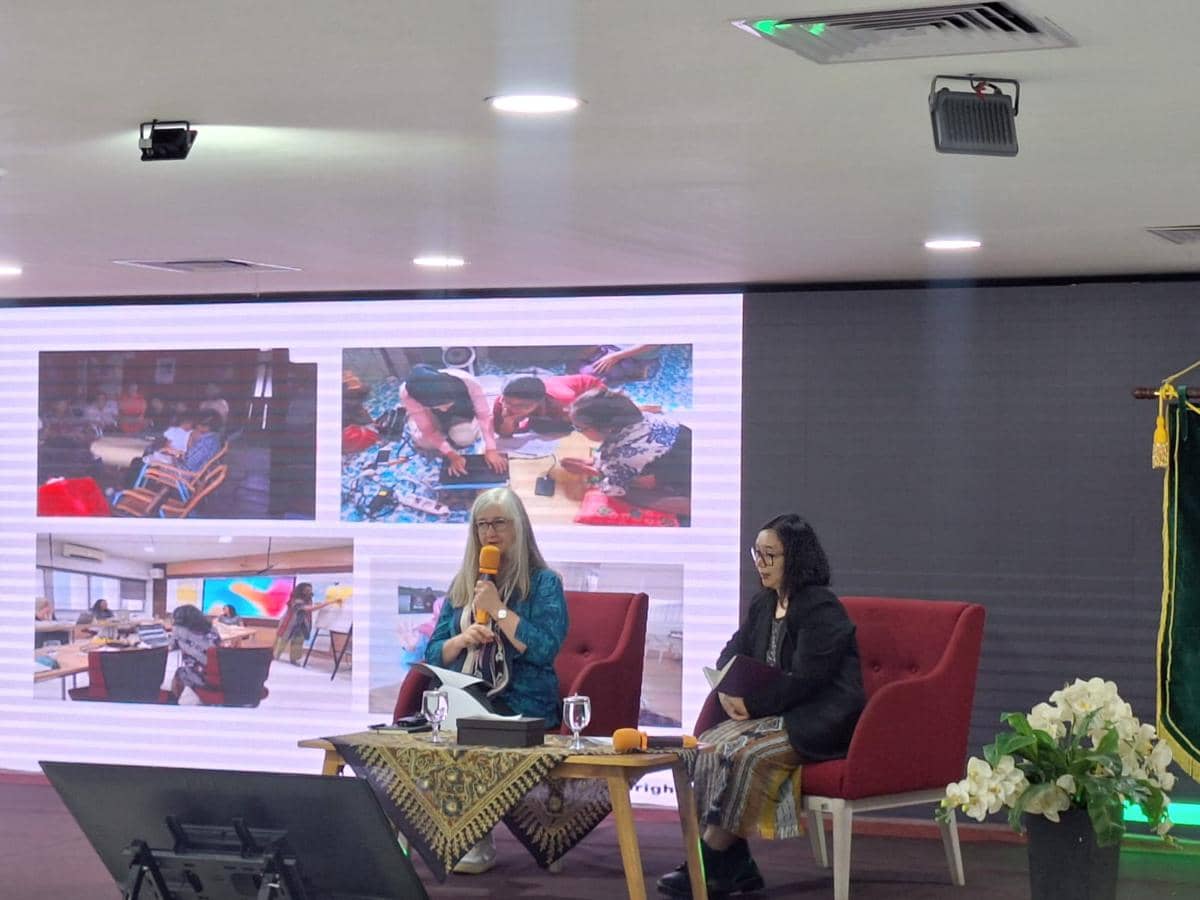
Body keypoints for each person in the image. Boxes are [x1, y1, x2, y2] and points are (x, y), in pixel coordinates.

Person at [657, 514, 866, 898]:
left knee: (746, 754)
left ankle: (707, 862)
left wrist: (751, 704)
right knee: (708, 747)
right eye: (757, 553)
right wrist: (726, 691)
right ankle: (735, 864)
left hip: (817, 720)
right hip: (771, 714)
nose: (761, 563)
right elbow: (731, 654)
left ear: (795, 558)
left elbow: (807, 680)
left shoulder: (821, 608)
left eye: (771, 555)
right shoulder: (763, 603)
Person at [424, 487, 568, 874]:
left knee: (476, 729)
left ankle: (475, 833)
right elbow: (433, 653)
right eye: (482, 524)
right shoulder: (463, 583)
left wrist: (499, 611)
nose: (490, 532)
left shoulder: (544, 583)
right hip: (464, 693)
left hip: (522, 699)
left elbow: (545, 649)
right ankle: (439, 827)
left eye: (499, 523)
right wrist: (461, 639)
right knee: (432, 728)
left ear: (518, 527)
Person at [564, 387, 693, 519]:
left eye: (579, 428)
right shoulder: (646, 417)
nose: (578, 432)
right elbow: (615, 449)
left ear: (607, 429)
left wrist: (591, 471)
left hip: (689, 481)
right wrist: (595, 462)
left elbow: (613, 488)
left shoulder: (625, 456)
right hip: (685, 452)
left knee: (630, 493)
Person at [401, 364, 506, 475]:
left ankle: (453, 429)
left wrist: (491, 449)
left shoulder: (468, 382)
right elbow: (427, 429)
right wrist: (452, 455)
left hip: (461, 411)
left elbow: (484, 416)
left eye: (447, 405)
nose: (444, 410)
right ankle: (413, 419)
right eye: (439, 407)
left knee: (464, 439)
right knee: (425, 443)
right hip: (429, 414)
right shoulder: (408, 394)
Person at [491, 373, 604, 438]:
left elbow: (581, 424)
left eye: (523, 406)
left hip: (591, 391)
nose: (513, 408)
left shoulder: (561, 400)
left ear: (539, 402)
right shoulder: (502, 402)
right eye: (509, 402)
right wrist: (508, 421)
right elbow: (504, 435)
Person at [273, 582, 340, 664]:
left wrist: (319, 604)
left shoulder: (309, 598)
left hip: (302, 624)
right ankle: (275, 656)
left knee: (298, 642)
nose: (309, 592)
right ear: (301, 590)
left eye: (310, 590)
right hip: (289, 623)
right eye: (307, 590)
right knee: (283, 640)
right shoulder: (295, 599)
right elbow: (307, 608)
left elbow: (310, 606)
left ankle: (294, 659)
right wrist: (326, 603)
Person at [170, 604, 220, 704]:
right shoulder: (213, 631)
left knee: (179, 672)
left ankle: (174, 702)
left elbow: (170, 646)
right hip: (219, 674)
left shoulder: (179, 631)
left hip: (200, 677)